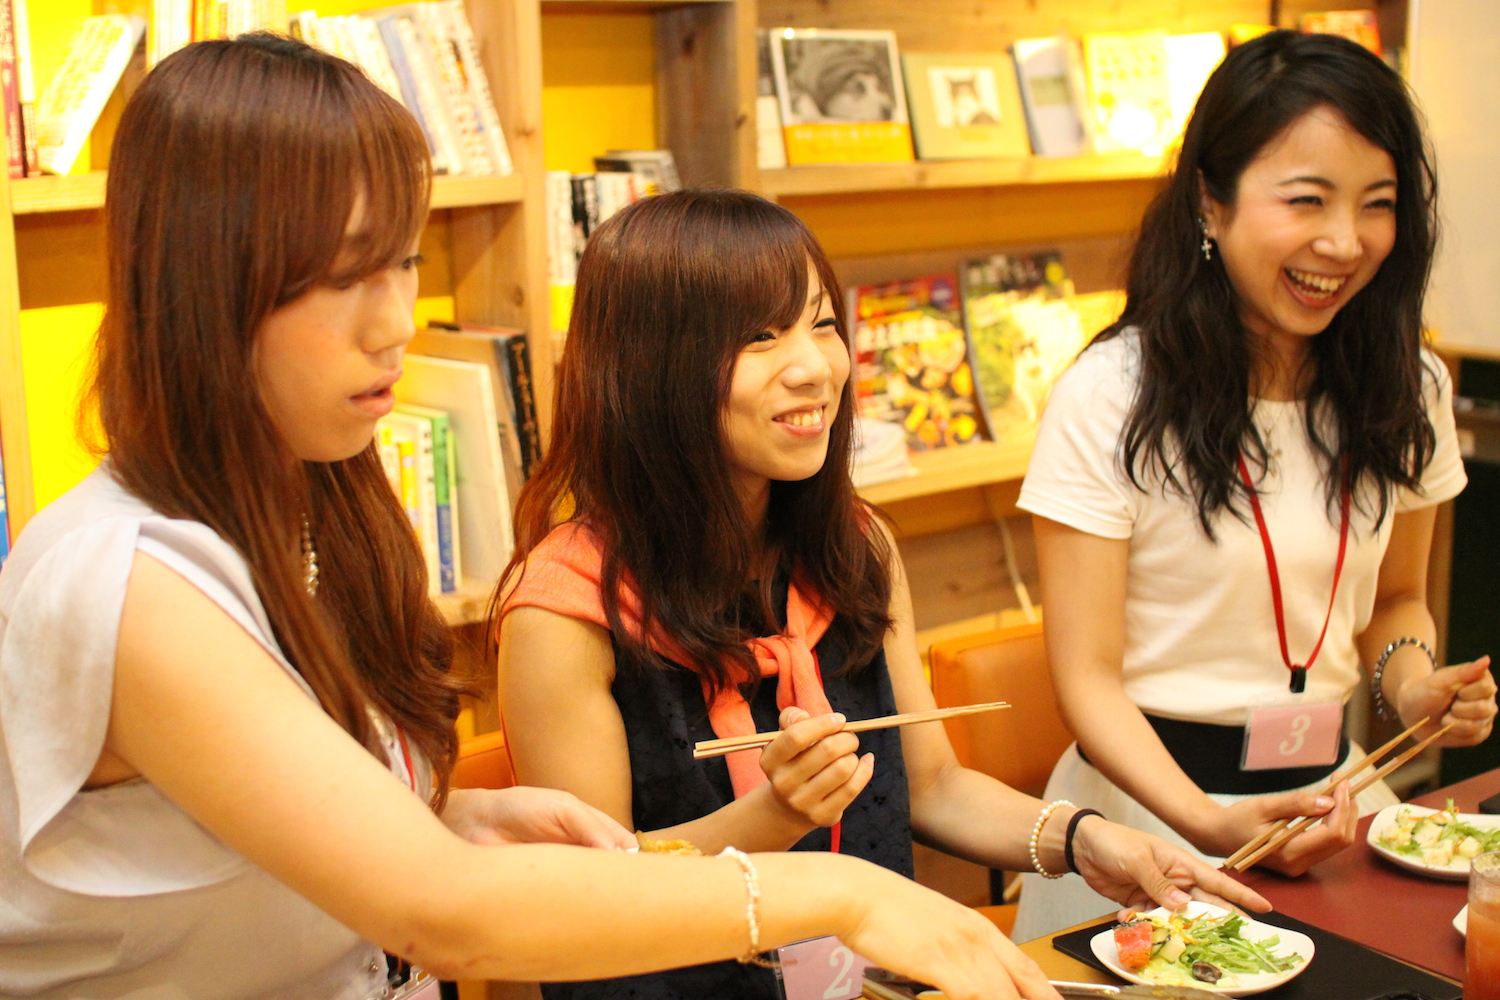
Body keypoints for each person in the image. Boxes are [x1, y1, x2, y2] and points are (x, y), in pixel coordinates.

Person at [0, 35, 1088, 1000]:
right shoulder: (130, 582)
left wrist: (451, 818)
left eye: (404, 261)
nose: (396, 321)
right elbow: (438, 914)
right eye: (343, 275)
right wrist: (841, 891)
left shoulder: (320, 514)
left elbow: (279, 837)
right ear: (200, 287)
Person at [494, 187, 1270, 1000]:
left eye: (822, 324)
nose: (814, 368)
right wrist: (774, 815)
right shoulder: (564, 612)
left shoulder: (855, 547)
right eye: (759, 337)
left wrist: (1088, 840)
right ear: (648, 367)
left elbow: (932, 786)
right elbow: (590, 897)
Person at [1011, 29, 1497, 942]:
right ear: (1211, 200)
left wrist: (1416, 691)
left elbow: (1397, 603)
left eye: (1378, 204)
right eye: (1306, 200)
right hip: (1149, 824)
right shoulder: (1111, 394)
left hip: (1333, 809)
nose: (1344, 242)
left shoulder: (1411, 385)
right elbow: (1086, 679)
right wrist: (1208, 823)